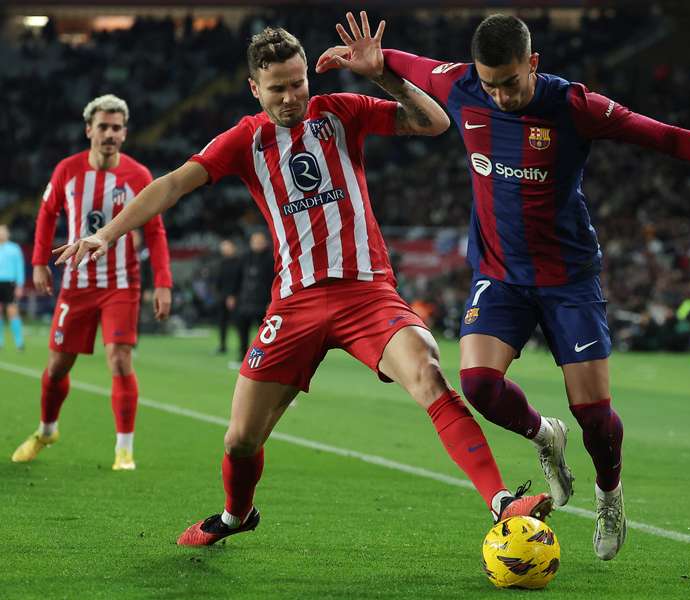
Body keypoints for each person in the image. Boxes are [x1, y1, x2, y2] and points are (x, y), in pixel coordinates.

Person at [318, 12, 690, 561]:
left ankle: (609, 492)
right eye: (489, 83)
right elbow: (400, 65)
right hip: (500, 276)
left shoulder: (575, 107)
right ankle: (542, 435)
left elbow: (663, 136)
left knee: (595, 414)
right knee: (477, 384)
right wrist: (373, 66)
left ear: (533, 63)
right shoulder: (461, 85)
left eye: (509, 81)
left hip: (568, 280)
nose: (498, 95)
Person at [56, 24, 551, 547]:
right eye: (278, 88)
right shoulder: (245, 140)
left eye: (298, 83)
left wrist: (383, 75)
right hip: (294, 304)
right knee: (241, 438)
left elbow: (433, 123)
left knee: (429, 374)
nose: (292, 96)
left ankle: (501, 504)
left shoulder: (339, 110)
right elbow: (174, 183)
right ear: (255, 88)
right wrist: (107, 234)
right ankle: (235, 515)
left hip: (368, 293)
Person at [12, 94, 173, 471]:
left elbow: (156, 231)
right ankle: (47, 430)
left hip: (122, 283)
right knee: (56, 367)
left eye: (117, 128)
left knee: (119, 360)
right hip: (76, 285)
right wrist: (39, 263)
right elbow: (47, 215)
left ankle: (124, 449)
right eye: (103, 126)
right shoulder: (67, 171)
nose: (110, 134)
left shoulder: (139, 176)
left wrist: (163, 282)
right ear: (89, 130)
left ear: (125, 133)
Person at [233, 231, 275, 363]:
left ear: (266, 242)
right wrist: (233, 295)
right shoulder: (244, 257)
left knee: (263, 334)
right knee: (242, 331)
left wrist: (272, 300)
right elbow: (238, 278)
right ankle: (243, 357)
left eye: (260, 241)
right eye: (255, 241)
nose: (257, 244)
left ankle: (263, 359)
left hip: (262, 302)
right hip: (245, 301)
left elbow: (275, 281)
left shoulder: (271, 258)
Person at [0, 224, 26, 351]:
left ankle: (19, 342)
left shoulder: (14, 248)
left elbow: (20, 267)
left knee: (12, 311)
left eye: (3, 232)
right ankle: (0, 341)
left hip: (9, 283)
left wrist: (20, 285)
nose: (1, 234)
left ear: (8, 233)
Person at [213, 239, 241, 355]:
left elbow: (239, 280)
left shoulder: (239, 263)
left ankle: (242, 347)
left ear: (233, 248)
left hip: (236, 297)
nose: (225, 250)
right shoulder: (221, 263)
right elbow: (218, 281)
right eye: (223, 248)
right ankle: (222, 345)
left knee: (239, 323)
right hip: (222, 297)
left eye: (227, 247)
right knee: (222, 323)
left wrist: (233, 296)